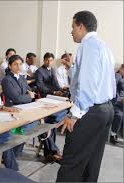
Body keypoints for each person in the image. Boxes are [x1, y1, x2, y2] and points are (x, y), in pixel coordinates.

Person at [56, 11, 115, 182]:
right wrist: (71, 67)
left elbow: (88, 85)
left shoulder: (87, 45)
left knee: (71, 162)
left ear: (81, 26)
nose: (71, 31)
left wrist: (74, 114)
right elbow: (97, 80)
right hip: (106, 110)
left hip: (91, 111)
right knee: (91, 161)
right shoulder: (103, 46)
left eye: (73, 27)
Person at [110, 64, 124, 144]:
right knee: (119, 115)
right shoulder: (117, 75)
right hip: (116, 103)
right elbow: (113, 89)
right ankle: (113, 134)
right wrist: (120, 99)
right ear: (121, 68)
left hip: (121, 103)